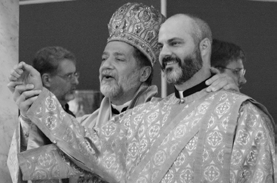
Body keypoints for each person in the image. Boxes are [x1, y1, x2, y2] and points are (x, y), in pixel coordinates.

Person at [9, 9, 264, 183]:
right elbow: (74, 153)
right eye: (162, 45)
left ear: (144, 72)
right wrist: (34, 103)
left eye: (119, 59)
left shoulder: (239, 113)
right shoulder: (140, 118)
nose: (106, 66)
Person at [7, 46, 79, 183]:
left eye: (76, 75)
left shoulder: (71, 117)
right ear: (46, 80)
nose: (76, 81)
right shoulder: (27, 118)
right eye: (69, 76)